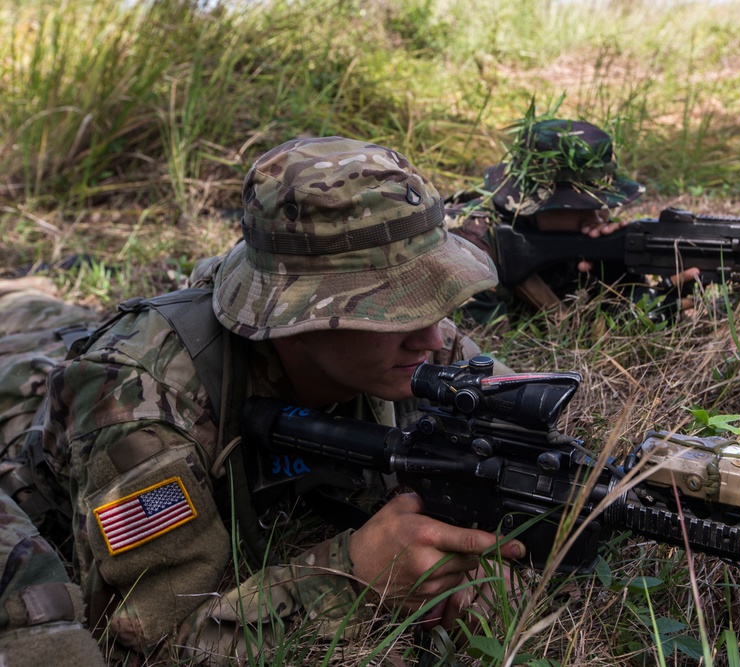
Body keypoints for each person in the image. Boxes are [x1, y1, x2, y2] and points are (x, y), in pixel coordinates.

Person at [0, 137, 525, 665]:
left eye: (435, 298)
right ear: (292, 317)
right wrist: (350, 576)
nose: (433, 339)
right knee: (23, 336)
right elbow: (148, 644)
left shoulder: (415, 349)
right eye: (393, 309)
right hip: (24, 404)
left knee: (46, 316)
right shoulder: (137, 406)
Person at [447, 118, 699, 326]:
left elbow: (613, 309)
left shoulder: (567, 233)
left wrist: (632, 287)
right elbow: (490, 352)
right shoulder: (465, 250)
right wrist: (600, 329)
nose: (598, 217)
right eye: (582, 206)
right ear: (533, 204)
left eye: (604, 204)